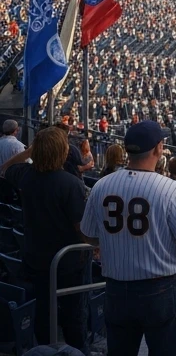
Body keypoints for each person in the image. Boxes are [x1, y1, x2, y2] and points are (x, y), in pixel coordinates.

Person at [81, 120, 176, 356]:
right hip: (161, 288)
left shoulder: (101, 185)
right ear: (158, 148)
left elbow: (88, 235)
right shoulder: (171, 189)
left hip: (116, 288)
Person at [6, 127, 86, 351]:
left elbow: (5, 168)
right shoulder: (71, 184)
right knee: (73, 315)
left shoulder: (24, 175)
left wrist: (30, 151)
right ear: (63, 151)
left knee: (42, 312)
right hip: (66, 262)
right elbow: (81, 228)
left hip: (35, 257)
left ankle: (45, 350)